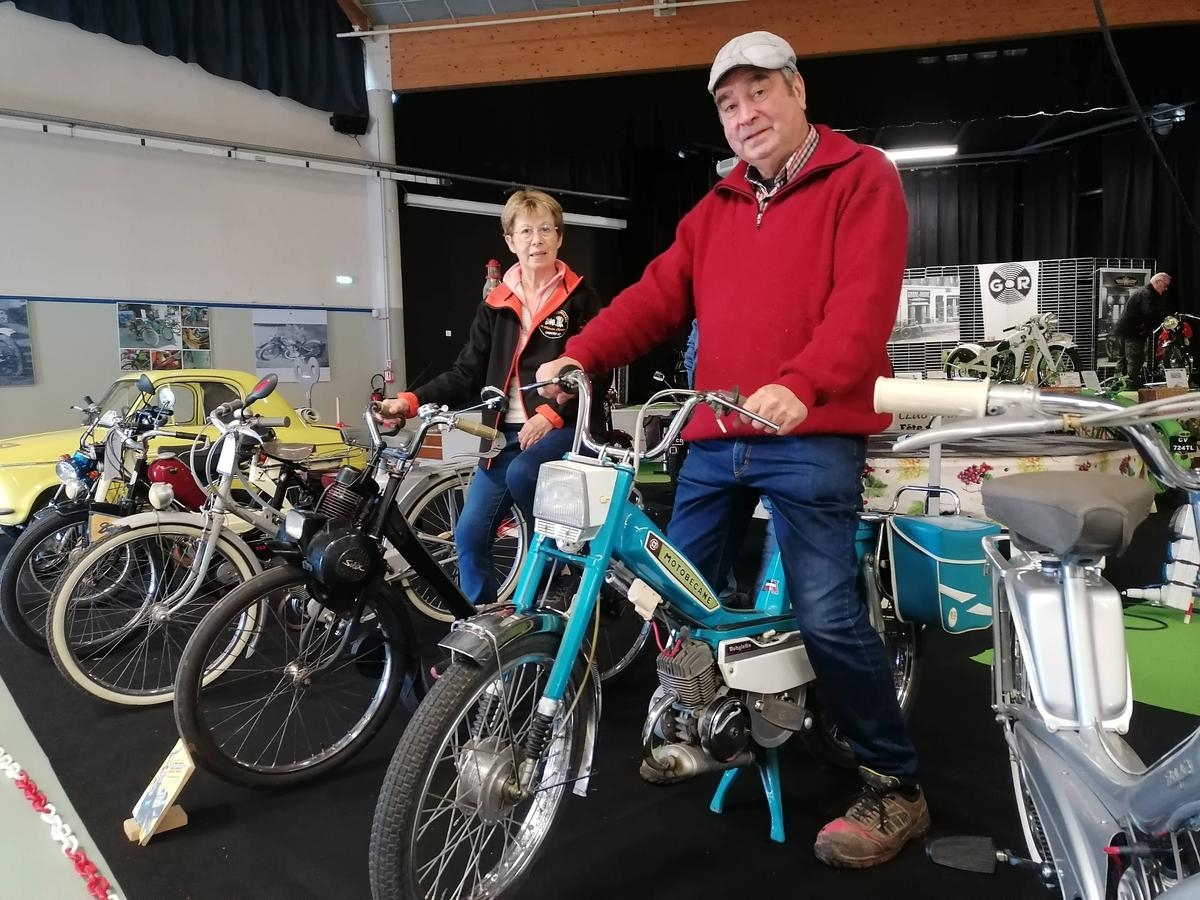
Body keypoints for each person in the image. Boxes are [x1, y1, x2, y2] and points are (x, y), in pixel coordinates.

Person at [536, 31, 926, 869]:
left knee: (825, 612)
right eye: (727, 101)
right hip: (715, 435)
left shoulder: (863, 179)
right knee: (667, 595)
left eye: (759, 92)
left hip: (809, 434)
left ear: (797, 89)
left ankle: (895, 783)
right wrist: (587, 352)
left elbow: (863, 306)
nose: (744, 113)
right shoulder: (713, 211)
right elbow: (654, 296)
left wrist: (806, 380)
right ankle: (708, 719)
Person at [380, 189, 608, 606]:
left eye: (545, 230)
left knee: (524, 475)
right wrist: (408, 401)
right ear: (510, 241)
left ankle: (561, 571)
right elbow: (465, 373)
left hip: (566, 428)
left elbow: (596, 368)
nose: (536, 239)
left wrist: (552, 416)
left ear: (559, 237)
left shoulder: (581, 298)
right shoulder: (496, 304)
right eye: (526, 231)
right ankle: (478, 626)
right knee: (469, 535)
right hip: (504, 436)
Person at [1113, 272, 1172, 387]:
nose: (1166, 289)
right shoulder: (1147, 293)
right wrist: (1165, 316)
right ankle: (1130, 386)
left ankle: (1118, 384)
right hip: (1133, 332)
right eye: (1165, 286)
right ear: (1158, 282)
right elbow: (1148, 312)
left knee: (1123, 359)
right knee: (1135, 359)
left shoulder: (1143, 292)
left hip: (1125, 330)